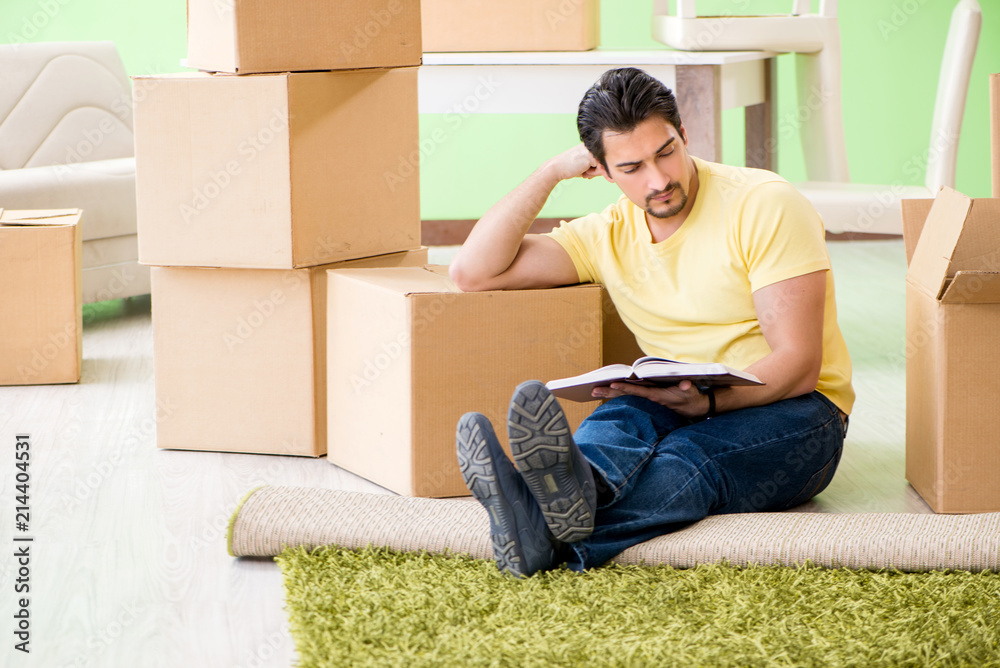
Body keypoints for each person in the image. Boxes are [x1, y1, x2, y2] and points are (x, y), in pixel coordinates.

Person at [449, 67, 854, 578]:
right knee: (618, 421)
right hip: (680, 396)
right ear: (601, 170)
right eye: (632, 167)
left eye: (666, 152)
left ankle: (541, 529)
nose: (659, 180)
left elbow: (798, 364)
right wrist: (550, 172)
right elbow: (473, 273)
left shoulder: (763, 204)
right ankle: (577, 492)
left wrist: (710, 402)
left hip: (800, 414)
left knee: (690, 454)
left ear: (684, 135)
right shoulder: (606, 235)